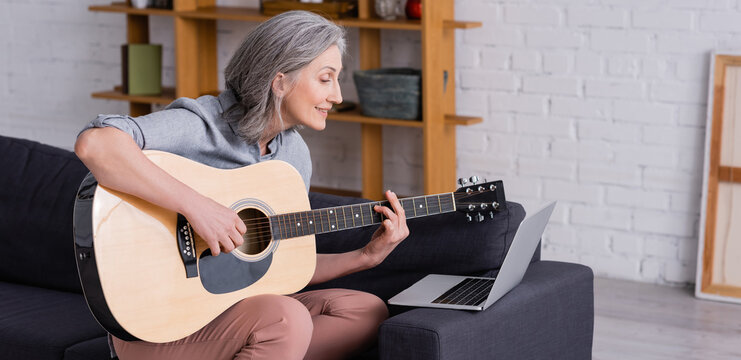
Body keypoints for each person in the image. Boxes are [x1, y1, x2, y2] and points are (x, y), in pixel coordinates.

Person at [74, 10, 410, 360]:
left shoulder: (293, 156)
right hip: (155, 323)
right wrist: (197, 207)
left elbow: (282, 265)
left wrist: (364, 257)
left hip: (233, 311)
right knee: (287, 319)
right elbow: (95, 144)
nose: (338, 96)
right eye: (326, 79)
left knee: (365, 310)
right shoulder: (201, 126)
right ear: (279, 82)